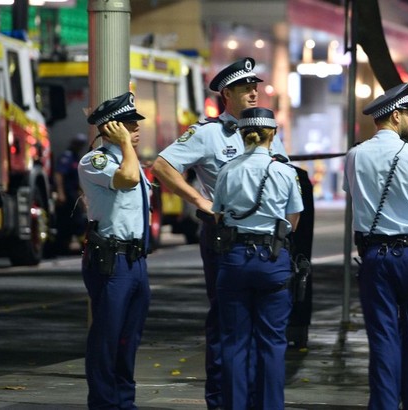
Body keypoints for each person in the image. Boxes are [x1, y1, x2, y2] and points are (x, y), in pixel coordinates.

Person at [151, 57, 287, 410]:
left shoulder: (269, 130)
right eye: (246, 88)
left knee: (264, 329)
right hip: (223, 237)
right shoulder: (209, 133)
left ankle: (255, 399)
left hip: (267, 241)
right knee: (227, 323)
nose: (254, 92)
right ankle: (222, 400)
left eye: (255, 86)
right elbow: (162, 166)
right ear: (227, 93)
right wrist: (199, 200)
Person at [343, 82, 408, 410]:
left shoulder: (354, 155)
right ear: (396, 116)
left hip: (373, 256)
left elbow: (353, 193)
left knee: (382, 339)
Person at [212, 107, 303, 409]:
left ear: (241, 134)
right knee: (272, 343)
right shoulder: (285, 172)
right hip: (272, 259)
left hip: (235, 258)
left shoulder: (227, 170)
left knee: (234, 343)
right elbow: (292, 221)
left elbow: (219, 214)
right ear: (272, 134)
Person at [78, 92, 152, 409]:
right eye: (129, 123)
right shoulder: (96, 160)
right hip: (112, 261)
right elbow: (128, 179)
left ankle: (125, 402)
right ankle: (104, 403)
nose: (136, 128)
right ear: (111, 128)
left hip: (135, 261)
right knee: (106, 341)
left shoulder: (128, 158)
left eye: (136, 123)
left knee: (128, 341)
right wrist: (123, 145)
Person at [54, 133, 88, 254]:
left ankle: (77, 243)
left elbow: (78, 179)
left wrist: (83, 195)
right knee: (72, 220)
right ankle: (68, 244)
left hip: (74, 192)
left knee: (77, 218)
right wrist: (60, 192)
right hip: (67, 193)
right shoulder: (66, 157)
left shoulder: (76, 157)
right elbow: (59, 175)